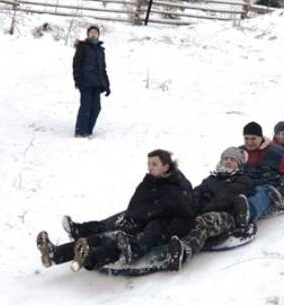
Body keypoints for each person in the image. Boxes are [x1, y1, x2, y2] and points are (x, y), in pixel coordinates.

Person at [37, 149, 193, 270]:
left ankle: (82, 256)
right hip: (135, 218)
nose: (150, 167)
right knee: (105, 229)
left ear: (166, 166)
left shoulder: (176, 188)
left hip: (148, 225)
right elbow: (139, 201)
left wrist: (164, 233)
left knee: (106, 238)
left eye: (154, 164)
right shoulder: (152, 181)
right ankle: (55, 254)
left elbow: (184, 215)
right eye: (149, 164)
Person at [167, 147, 254, 271]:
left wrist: (201, 209)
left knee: (204, 221)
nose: (228, 161)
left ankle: (184, 251)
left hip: (227, 216)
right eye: (226, 159)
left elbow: (224, 198)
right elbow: (196, 193)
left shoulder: (243, 180)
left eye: (232, 159)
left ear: (239, 164)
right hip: (205, 212)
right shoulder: (212, 178)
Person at [241, 121, 284, 221]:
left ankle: (245, 214)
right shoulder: (240, 152)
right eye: (246, 139)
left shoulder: (277, 152)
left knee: (261, 194)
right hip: (243, 186)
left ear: (261, 137)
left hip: (266, 188)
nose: (249, 142)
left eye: (253, 138)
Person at [72, 25, 110, 137]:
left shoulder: (100, 50)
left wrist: (107, 85)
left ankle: (88, 130)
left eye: (95, 33)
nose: (93, 34)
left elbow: (103, 69)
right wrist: (78, 80)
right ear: (88, 34)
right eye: (91, 32)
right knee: (86, 106)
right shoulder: (82, 47)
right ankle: (80, 131)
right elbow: (76, 65)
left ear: (98, 35)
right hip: (85, 83)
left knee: (97, 108)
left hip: (97, 84)